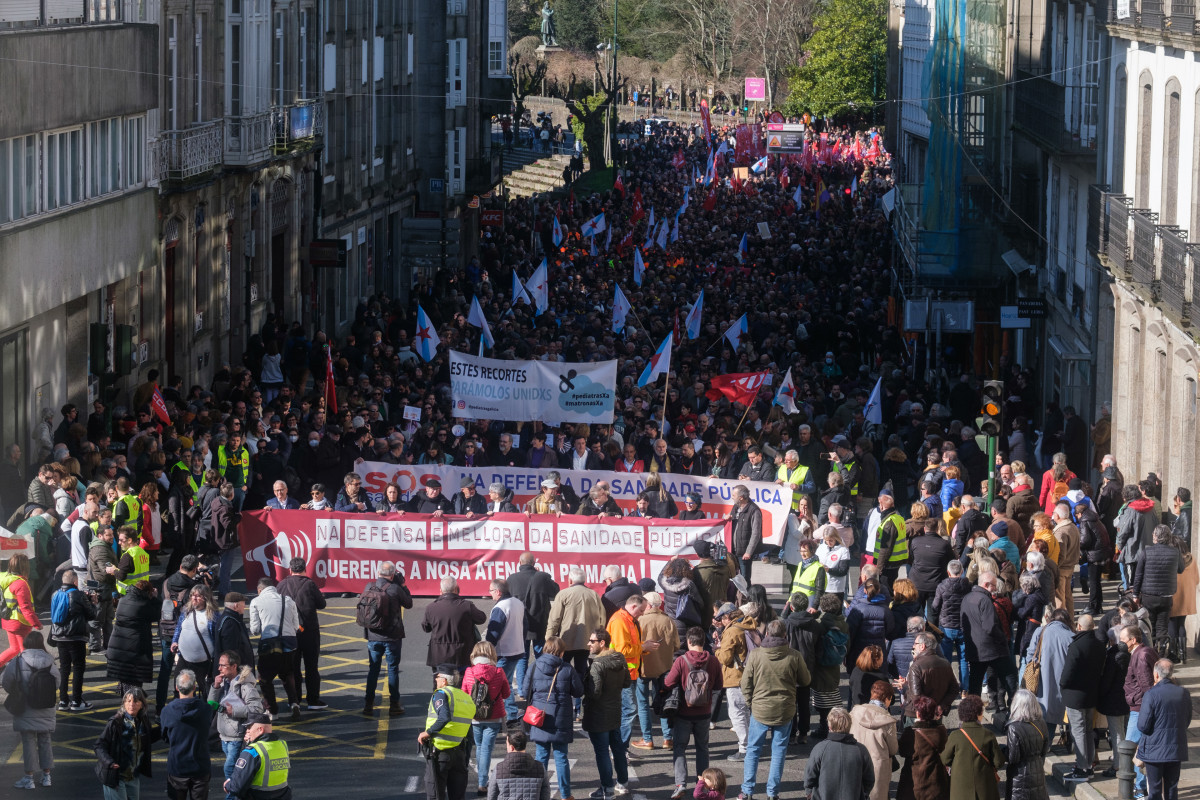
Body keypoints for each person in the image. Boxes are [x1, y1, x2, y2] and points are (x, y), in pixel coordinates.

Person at [739, 618, 810, 800]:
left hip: (760, 709)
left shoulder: (755, 655)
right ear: (785, 635)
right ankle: (772, 793)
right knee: (778, 751)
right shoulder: (794, 655)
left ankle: (747, 791)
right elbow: (806, 680)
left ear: (767, 634)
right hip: (784, 710)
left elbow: (745, 683)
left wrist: (751, 702)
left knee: (753, 750)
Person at [522, 636, 584, 800]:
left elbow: (524, 691)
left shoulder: (534, 666)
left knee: (541, 756)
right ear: (561, 652)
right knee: (561, 757)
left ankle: (539, 794)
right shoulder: (567, 669)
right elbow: (578, 692)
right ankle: (565, 795)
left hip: (539, 717)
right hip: (560, 717)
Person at [663, 626, 722, 798]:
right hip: (704, 713)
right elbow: (718, 686)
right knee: (702, 748)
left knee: (680, 748)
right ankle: (702, 784)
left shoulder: (681, 661)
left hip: (684, 712)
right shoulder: (713, 661)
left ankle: (681, 784)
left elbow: (668, 682)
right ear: (703, 642)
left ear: (689, 642)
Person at [2, 630, 58, 789]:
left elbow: (6, 682)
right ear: (41, 644)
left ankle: (29, 779)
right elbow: (57, 682)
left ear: (26, 643)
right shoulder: (50, 661)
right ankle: (47, 777)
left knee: (28, 742)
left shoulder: (18, 661)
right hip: (46, 706)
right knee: (45, 740)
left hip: (25, 707)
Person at [583, 628, 632, 800]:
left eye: (592, 641)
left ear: (602, 643)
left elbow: (594, 693)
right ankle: (623, 782)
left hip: (598, 715)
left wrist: (585, 688)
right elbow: (627, 682)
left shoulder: (597, 664)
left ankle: (607, 788)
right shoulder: (620, 658)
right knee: (618, 748)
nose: (589, 644)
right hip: (615, 712)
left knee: (602, 752)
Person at [358, 560, 412, 715]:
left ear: (378, 572)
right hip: (392, 637)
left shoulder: (369, 586)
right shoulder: (395, 589)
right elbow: (409, 603)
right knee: (392, 669)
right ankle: (394, 704)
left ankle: (368, 704)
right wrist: (402, 585)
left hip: (373, 636)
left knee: (373, 669)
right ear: (393, 574)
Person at [506, 552, 560, 706]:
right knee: (541, 655)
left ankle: (523, 690)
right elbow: (555, 591)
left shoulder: (512, 579)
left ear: (519, 562)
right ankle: (541, 687)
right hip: (540, 624)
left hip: (520, 624)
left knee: (521, 657)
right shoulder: (542, 577)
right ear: (534, 562)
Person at [210, 650, 266, 800]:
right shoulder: (222, 683)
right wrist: (215, 687)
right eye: (219, 665)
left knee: (230, 769)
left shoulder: (245, 686)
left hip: (236, 736)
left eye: (223, 666)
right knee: (236, 772)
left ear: (234, 666)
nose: (219, 669)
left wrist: (234, 710)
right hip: (224, 734)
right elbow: (211, 704)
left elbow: (256, 709)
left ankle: (233, 797)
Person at [545, 566, 606, 699]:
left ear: (570, 580)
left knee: (560, 671)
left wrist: (549, 638)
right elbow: (602, 618)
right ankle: (578, 705)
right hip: (586, 641)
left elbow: (554, 619)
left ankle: (563, 698)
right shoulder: (594, 594)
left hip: (565, 641)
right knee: (581, 671)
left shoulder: (563, 594)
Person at [1136, 659, 1192, 800]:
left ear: (1156, 675)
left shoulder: (1151, 694)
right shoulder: (1183, 693)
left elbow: (1143, 725)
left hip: (1154, 750)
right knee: (1172, 788)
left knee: (1154, 789)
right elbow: (1187, 720)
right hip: (1175, 747)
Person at [960, 572, 1016, 710]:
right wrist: (1003, 639)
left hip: (975, 651)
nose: (995, 589)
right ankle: (1015, 708)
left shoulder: (967, 598)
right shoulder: (985, 600)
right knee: (1010, 676)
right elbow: (990, 626)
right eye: (994, 586)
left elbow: (962, 624)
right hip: (992, 649)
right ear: (986, 585)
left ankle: (972, 715)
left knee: (975, 685)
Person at [277, 557, 327, 710]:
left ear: (290, 570)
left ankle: (295, 699)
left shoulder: (282, 584)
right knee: (311, 666)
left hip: (289, 631)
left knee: (293, 667)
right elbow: (322, 604)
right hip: (309, 630)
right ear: (305, 569)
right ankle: (313, 700)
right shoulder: (310, 584)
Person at [1060, 614, 1106, 781]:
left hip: (1075, 696)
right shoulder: (1100, 645)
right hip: (1091, 695)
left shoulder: (1076, 646)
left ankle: (1082, 768)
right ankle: (1088, 765)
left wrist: (1062, 685)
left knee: (1078, 731)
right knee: (1087, 730)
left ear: (1078, 627)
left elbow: (1067, 674)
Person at [462, 641, 511, 796]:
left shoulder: (469, 672)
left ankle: (482, 780)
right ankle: (482, 783)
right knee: (486, 749)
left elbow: (464, 693)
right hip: (494, 716)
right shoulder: (498, 672)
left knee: (480, 747)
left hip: (474, 716)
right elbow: (506, 694)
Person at [249, 577, 301, 721]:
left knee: (265, 679)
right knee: (288, 674)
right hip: (290, 643)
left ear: (260, 590)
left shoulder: (256, 602)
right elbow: (296, 626)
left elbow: (255, 629)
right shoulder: (288, 600)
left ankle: (273, 710)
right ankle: (294, 703)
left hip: (269, 645)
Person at [95, 687, 160, 800]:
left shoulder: (143, 720)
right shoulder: (116, 723)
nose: (132, 704)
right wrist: (109, 762)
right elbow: (99, 745)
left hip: (132, 775)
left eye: (135, 701)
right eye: (128, 701)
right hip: (116, 776)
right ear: (124, 703)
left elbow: (148, 737)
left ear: (142, 705)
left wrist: (166, 727)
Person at [632, 591, 678, 750]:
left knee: (643, 703)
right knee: (664, 701)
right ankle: (667, 739)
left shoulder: (640, 620)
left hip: (643, 667)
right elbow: (677, 645)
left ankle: (647, 739)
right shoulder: (668, 620)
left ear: (648, 605)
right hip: (664, 667)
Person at [161, 669, 213, 800]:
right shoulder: (205, 709)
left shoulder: (167, 711)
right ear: (194, 687)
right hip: (200, 766)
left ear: (177, 688)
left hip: (178, 766)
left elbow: (165, 736)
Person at [49, 568, 96, 711]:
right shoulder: (78, 594)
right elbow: (91, 615)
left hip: (59, 637)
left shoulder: (55, 594)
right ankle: (76, 701)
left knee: (64, 669)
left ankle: (63, 701)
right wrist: (92, 602)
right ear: (75, 581)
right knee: (78, 668)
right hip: (76, 637)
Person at [1121, 624, 1160, 797]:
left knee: (1130, 748)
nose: (1121, 642)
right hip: (1140, 706)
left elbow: (1146, 686)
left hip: (1140, 709)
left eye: (1123, 639)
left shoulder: (1141, 656)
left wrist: (1147, 709)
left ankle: (1139, 787)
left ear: (1133, 640)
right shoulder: (1145, 651)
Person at [940, 695, 1003, 800]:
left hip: (960, 788)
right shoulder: (988, 735)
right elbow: (998, 762)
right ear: (978, 715)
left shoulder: (955, 735)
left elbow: (945, 759)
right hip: (984, 787)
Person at [803, 707, 875, 800]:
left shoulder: (820, 748)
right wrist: (862, 794)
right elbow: (869, 780)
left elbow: (809, 777)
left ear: (830, 727)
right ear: (849, 725)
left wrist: (810, 794)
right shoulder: (861, 750)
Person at [1134, 525, 1185, 648]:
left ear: (1156, 536)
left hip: (1148, 596)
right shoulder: (1175, 552)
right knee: (1162, 627)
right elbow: (1181, 569)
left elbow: (1138, 575)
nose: (1152, 536)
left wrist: (1135, 594)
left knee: (1149, 626)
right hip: (1166, 596)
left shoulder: (1147, 551)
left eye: (1153, 534)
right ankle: (1161, 653)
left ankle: (1150, 652)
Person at [422, 576, 486, 671]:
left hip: (439, 656)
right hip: (462, 656)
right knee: (463, 684)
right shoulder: (466, 606)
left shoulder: (431, 608)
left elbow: (426, 628)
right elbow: (482, 618)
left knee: (441, 685)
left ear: (441, 591)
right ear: (456, 589)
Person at [107, 580, 158, 696]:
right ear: (147, 592)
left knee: (126, 680)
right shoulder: (143, 604)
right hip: (135, 649)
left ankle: (127, 707)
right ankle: (133, 708)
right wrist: (154, 598)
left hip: (119, 646)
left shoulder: (123, 600)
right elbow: (157, 614)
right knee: (134, 682)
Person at [225, 712, 292, 800]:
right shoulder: (282, 744)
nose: (247, 731)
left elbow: (237, 786)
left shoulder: (253, 751)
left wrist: (227, 785)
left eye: (249, 727)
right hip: (282, 795)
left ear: (260, 729)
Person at [850, 680, 899, 800]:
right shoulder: (888, 721)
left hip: (855, 762)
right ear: (887, 698)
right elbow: (893, 749)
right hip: (878, 767)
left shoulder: (854, 713)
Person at [485, 578, 526, 722]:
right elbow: (525, 626)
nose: (490, 594)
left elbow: (493, 633)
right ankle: (510, 713)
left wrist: (487, 648)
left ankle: (510, 714)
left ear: (498, 591)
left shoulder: (500, 607)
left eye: (491, 591)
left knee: (501, 683)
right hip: (517, 649)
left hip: (504, 652)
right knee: (506, 682)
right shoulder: (518, 603)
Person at [896, 695, 949, 800]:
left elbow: (902, 752)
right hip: (935, 782)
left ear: (918, 713)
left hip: (914, 782)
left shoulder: (910, 732)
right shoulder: (941, 731)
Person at [900, 632, 958, 720]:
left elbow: (917, 696)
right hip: (937, 713)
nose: (913, 646)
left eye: (915, 643)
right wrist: (941, 707)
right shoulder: (945, 663)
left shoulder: (916, 666)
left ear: (922, 646)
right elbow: (954, 689)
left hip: (917, 715)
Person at [1005, 688, 1051, 800]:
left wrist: (1002, 750)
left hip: (1019, 777)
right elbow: (1044, 750)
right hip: (1038, 772)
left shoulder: (1014, 727)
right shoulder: (1041, 723)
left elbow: (1013, 758)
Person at [172, 584, 219, 693]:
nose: (194, 598)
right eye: (192, 595)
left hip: (203, 663)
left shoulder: (213, 616)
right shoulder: (186, 610)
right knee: (179, 689)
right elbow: (179, 628)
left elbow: (217, 639)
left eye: (198, 596)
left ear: (206, 598)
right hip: (184, 659)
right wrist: (174, 642)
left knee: (205, 692)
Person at [1, 553, 41, 669]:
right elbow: (25, 607)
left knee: (14, 649)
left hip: (7, 619)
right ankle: (27, 674)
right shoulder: (20, 583)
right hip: (20, 621)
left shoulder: (5, 579)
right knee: (25, 651)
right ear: (24, 567)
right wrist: (36, 623)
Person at [487, 730, 550, 800]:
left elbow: (492, 795)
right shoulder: (540, 767)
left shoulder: (499, 768)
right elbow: (545, 794)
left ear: (511, 747)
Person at [846, 578, 895, 669]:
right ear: (879, 590)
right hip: (878, 651)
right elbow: (890, 630)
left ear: (864, 590)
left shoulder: (858, 609)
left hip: (859, 651)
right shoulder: (886, 610)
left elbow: (850, 631)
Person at [727, 486, 763, 582]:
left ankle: (746, 596)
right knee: (732, 578)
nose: (732, 497)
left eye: (734, 495)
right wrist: (727, 519)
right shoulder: (735, 507)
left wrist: (748, 552)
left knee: (744, 579)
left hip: (744, 553)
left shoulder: (754, 510)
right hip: (733, 551)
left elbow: (756, 533)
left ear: (741, 497)